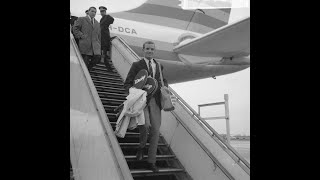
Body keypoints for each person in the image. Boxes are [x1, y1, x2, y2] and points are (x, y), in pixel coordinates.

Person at [124, 41, 168, 172]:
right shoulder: (137, 65)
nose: (149, 51)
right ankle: (141, 147)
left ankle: (151, 161)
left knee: (155, 131)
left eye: (152, 49)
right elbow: (127, 83)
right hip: (142, 101)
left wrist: (165, 88)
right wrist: (134, 94)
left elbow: (162, 81)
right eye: (147, 49)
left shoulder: (159, 66)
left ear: (154, 51)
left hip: (155, 102)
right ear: (143, 50)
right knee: (145, 125)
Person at [73, 7, 101, 71]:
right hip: (85, 44)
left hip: (94, 46)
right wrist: (81, 36)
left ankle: (88, 69)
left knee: (98, 57)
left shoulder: (97, 23)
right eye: (92, 11)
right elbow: (75, 28)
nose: (93, 13)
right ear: (88, 11)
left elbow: (99, 35)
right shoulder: (81, 19)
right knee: (85, 62)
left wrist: (99, 44)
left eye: (95, 12)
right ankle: (85, 72)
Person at [99, 6, 114, 70]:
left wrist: (107, 16)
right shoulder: (102, 19)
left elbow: (112, 19)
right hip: (101, 38)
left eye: (103, 11)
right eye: (101, 11)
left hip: (105, 38)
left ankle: (109, 68)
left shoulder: (107, 17)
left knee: (105, 54)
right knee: (103, 54)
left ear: (105, 11)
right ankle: (108, 67)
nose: (101, 12)